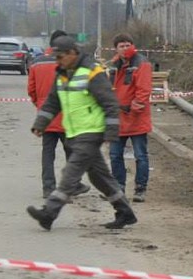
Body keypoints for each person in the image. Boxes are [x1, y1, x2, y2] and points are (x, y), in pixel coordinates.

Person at [26, 36, 137, 231]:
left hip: (92, 131)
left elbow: (110, 103)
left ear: (72, 53)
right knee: (99, 177)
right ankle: (125, 212)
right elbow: (52, 101)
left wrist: (111, 133)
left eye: (60, 57)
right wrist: (40, 123)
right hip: (75, 131)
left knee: (71, 171)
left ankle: (49, 213)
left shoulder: (92, 72)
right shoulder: (62, 74)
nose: (57, 61)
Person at [27, 29, 90, 198]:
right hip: (68, 117)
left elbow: (31, 90)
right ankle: (72, 185)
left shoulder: (37, 63)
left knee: (48, 154)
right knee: (72, 153)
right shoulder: (71, 63)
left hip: (46, 118)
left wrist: (40, 106)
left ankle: (48, 188)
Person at [107, 33, 153, 203]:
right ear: (116, 49)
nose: (125, 48)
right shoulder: (114, 65)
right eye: (122, 46)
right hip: (118, 119)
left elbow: (143, 90)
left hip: (136, 118)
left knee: (140, 155)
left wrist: (133, 108)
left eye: (128, 45)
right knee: (114, 155)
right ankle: (118, 188)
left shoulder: (141, 64)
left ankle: (140, 188)